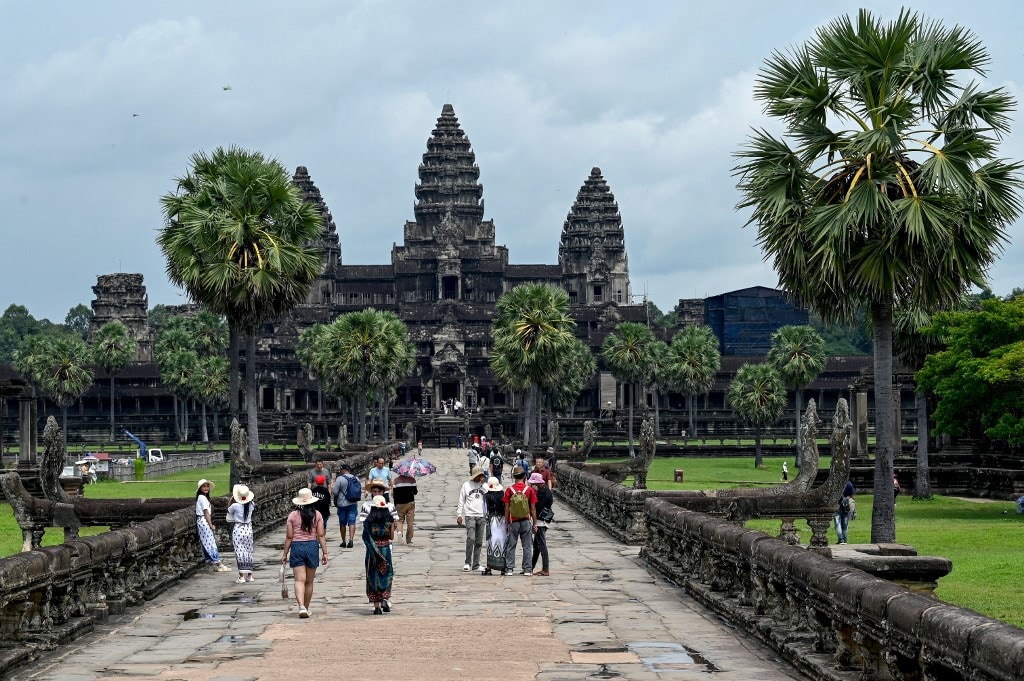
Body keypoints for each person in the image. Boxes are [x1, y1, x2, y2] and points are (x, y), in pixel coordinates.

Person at [281, 488, 329, 618]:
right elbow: (321, 535)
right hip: (312, 546)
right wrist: (325, 552)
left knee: (299, 580)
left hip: (297, 547)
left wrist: (285, 554)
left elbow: (289, 537)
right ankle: (306, 607)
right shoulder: (317, 515)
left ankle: (301, 606)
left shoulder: (292, 516)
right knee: (309, 581)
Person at [502, 466, 537, 576]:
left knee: (511, 545)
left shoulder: (509, 490)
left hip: (513, 521)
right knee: (527, 546)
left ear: (514, 477)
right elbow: (532, 508)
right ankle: (527, 569)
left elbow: (507, 508)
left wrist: (507, 522)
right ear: (525, 476)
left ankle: (509, 569)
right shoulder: (529, 490)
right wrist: (535, 523)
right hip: (526, 520)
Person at [363, 495, 395, 615]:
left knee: (372, 576)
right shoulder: (390, 520)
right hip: (386, 550)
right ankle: (384, 598)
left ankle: (376, 607)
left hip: (372, 551)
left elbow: (365, 536)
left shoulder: (369, 521)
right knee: (386, 574)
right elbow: (391, 537)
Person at [195, 479, 230, 572]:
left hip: (202, 521)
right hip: (203, 521)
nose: (206, 488)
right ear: (200, 488)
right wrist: (210, 524)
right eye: (204, 486)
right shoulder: (202, 498)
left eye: (207, 486)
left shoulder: (203, 498)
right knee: (210, 543)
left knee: (207, 542)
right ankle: (218, 563)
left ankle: (212, 564)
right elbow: (206, 512)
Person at [457, 467, 487, 572]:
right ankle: (467, 562)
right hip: (470, 515)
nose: (481, 477)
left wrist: (484, 485)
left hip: (481, 515)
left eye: (482, 476)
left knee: (479, 541)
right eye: (479, 476)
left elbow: (489, 497)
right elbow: (461, 500)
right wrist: (459, 514)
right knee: (471, 539)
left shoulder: (485, 486)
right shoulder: (466, 485)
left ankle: (476, 564)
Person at [226, 484, 256, 583]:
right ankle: (250, 575)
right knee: (249, 550)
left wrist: (231, 499)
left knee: (239, 551)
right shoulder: (251, 505)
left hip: (238, 529)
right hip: (248, 529)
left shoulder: (235, 506)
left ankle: (241, 576)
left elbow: (229, 510)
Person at [332, 462, 361, 548]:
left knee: (342, 523)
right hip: (353, 503)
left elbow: (335, 492)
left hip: (342, 504)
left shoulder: (340, 479)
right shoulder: (356, 478)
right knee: (352, 522)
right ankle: (351, 540)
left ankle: (344, 541)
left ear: (343, 470)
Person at [529, 472, 553, 575]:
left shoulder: (541, 493)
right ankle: (530, 567)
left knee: (542, 545)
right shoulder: (546, 490)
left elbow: (537, 508)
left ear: (537, 483)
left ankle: (545, 568)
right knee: (537, 546)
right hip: (543, 520)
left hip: (540, 521)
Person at [482, 477, 506, 576]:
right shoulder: (502, 495)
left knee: (491, 544)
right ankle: (503, 568)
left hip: (492, 521)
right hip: (502, 521)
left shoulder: (486, 496)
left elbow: (484, 511)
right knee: (503, 543)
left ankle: (489, 568)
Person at [392, 473, 418, 544]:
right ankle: (409, 540)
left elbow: (394, 494)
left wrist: (395, 504)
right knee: (410, 522)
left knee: (399, 520)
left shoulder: (396, 480)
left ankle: (399, 532)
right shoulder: (411, 479)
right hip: (410, 503)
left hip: (399, 503)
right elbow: (415, 492)